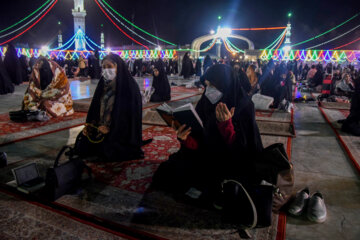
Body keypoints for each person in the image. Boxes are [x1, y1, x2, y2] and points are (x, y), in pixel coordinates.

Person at [152, 64, 263, 196]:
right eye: (207, 85)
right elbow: (200, 139)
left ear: (225, 85)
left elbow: (245, 152)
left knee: (227, 185)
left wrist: (226, 126)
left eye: (213, 85)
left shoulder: (244, 106)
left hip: (230, 161)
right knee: (166, 172)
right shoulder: (205, 102)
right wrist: (186, 139)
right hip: (206, 155)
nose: (209, 90)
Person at [75, 54, 145, 161]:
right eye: (104, 67)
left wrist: (111, 129)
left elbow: (130, 118)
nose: (107, 70)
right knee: (83, 145)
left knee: (109, 151)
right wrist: (91, 125)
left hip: (121, 133)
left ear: (118, 67)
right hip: (101, 129)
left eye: (110, 66)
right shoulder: (102, 85)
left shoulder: (129, 87)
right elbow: (95, 109)